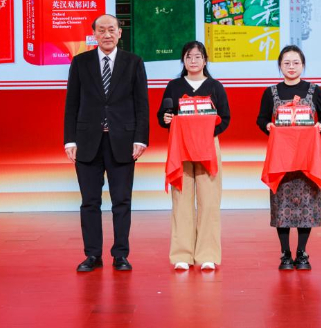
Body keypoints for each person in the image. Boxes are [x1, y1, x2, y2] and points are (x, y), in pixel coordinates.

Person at [64, 14, 149, 272]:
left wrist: (140, 138)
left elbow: (141, 104)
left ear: (119, 33)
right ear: (94, 35)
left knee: (121, 201)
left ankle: (120, 255)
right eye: (101, 30)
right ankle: (92, 255)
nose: (107, 34)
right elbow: (72, 104)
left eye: (111, 29)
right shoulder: (80, 63)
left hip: (122, 141)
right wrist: (69, 140)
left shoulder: (134, 62)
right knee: (90, 202)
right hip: (87, 142)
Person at [256, 45, 321, 271]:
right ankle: (285, 254)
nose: (291, 67)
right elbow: (261, 119)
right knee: (282, 206)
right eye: (286, 63)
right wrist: (268, 126)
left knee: (307, 205)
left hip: (307, 158)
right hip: (282, 159)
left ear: (303, 65)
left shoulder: (314, 90)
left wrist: (319, 126)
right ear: (280, 66)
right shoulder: (271, 92)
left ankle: (302, 252)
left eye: (296, 62)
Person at [157, 41, 230, 271]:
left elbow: (225, 118)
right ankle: (182, 255)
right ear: (183, 61)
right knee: (181, 200)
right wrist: (166, 119)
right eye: (189, 57)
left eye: (198, 56)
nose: (193, 61)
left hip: (208, 147)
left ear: (205, 60)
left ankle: (207, 254)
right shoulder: (174, 86)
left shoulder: (215, 86)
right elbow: (163, 116)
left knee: (209, 201)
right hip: (181, 148)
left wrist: (205, 133)